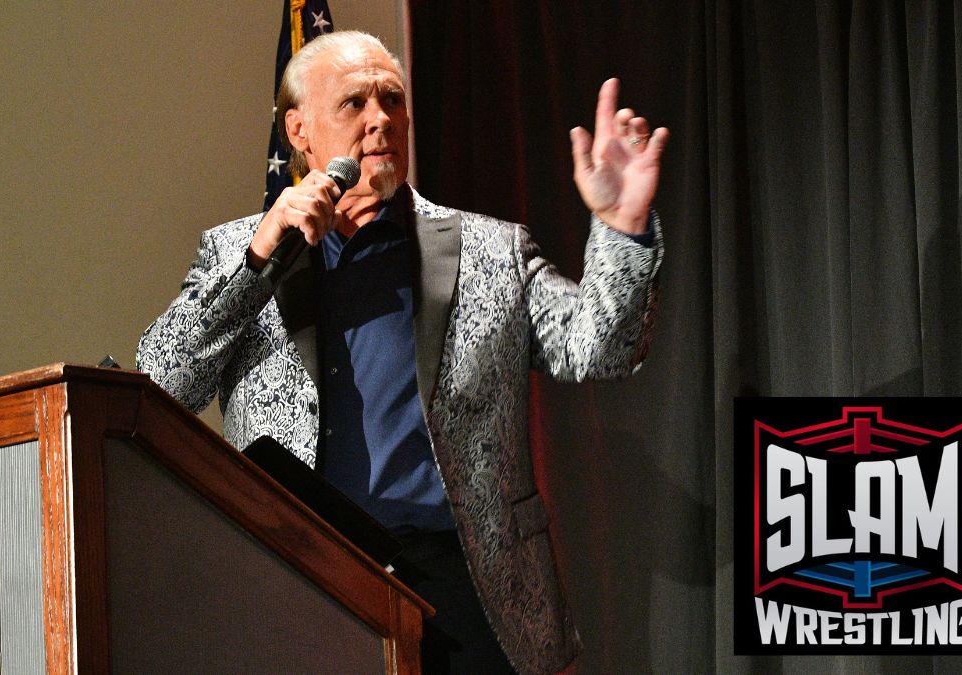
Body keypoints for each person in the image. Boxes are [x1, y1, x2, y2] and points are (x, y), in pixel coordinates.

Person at [137, 30, 667, 674]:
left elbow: (599, 349)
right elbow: (161, 384)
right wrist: (256, 262)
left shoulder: (490, 253)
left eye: (392, 100)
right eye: (354, 104)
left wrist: (622, 227)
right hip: (301, 581)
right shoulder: (240, 253)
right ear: (299, 132)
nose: (380, 119)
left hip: (466, 588)